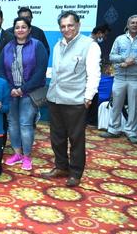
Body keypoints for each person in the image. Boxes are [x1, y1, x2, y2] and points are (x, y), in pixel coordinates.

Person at [41, 10, 101, 187]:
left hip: (76, 101)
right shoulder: (58, 45)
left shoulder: (89, 45)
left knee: (76, 138)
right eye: (63, 26)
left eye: (70, 25)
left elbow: (94, 74)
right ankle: (61, 166)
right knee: (57, 137)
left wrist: (89, 97)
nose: (66, 29)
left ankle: (75, 172)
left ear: (78, 25)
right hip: (55, 98)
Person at [0, 17, 48, 171]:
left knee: (25, 124)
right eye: (17, 27)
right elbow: (0, 70)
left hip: (29, 93)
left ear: (29, 29)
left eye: (23, 27)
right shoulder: (7, 47)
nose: (20, 30)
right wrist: (11, 88)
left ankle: (27, 156)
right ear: (14, 30)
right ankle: (17, 153)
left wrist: (22, 89)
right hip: (10, 92)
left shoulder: (37, 46)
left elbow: (40, 72)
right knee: (12, 123)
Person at [99, 15, 137, 144]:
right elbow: (111, 57)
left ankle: (131, 131)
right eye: (132, 23)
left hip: (136, 78)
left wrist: (131, 62)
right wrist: (124, 60)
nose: (134, 25)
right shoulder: (119, 39)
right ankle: (113, 129)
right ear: (127, 25)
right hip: (119, 77)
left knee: (134, 106)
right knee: (116, 104)